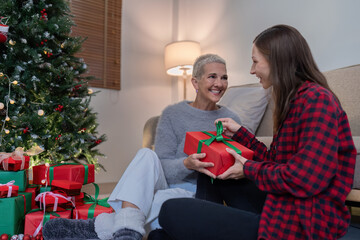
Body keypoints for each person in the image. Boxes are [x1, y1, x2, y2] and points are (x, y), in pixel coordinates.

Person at [148, 24, 357, 240]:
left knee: (169, 213)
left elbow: (304, 178)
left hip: (302, 221)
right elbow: (274, 162)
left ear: (277, 60)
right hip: (280, 202)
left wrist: (248, 169)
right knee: (213, 174)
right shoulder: (294, 102)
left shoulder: (316, 101)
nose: (251, 70)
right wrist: (241, 134)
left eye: (255, 61)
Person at [42, 53, 243, 240]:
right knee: (146, 154)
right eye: (212, 77)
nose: (219, 84)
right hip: (166, 182)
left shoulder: (231, 121)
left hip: (197, 193)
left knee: (156, 202)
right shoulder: (174, 114)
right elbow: (162, 164)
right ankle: (125, 231)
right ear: (195, 82)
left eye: (224, 78)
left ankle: (97, 228)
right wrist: (186, 164)